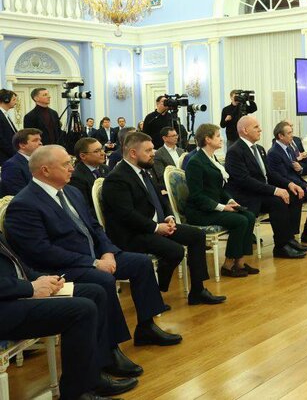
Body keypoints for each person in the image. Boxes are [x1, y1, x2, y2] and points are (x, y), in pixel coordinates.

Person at [4, 146, 180, 378]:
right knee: (102, 280)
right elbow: (41, 251)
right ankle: (110, 349)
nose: (72, 168)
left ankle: (146, 327)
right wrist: (93, 263)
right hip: (62, 267)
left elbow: (95, 228)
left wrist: (107, 252)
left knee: (140, 263)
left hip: (95, 256)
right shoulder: (24, 203)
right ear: (45, 170)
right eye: (66, 164)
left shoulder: (72, 192)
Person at [0, 233, 139, 399]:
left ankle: (94, 377)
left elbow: (17, 267)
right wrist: (31, 288)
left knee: (95, 293)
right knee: (82, 311)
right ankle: (76, 394)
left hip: (16, 294)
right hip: (6, 306)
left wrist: (42, 279)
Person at [102, 131, 225, 305]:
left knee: (197, 235)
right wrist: (156, 227)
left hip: (154, 226)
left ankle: (198, 291)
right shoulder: (117, 178)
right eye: (148, 150)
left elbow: (160, 198)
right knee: (175, 250)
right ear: (133, 153)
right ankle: (157, 290)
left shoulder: (144, 170)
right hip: (132, 234)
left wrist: (168, 217)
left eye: (152, 149)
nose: (153, 153)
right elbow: (126, 215)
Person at [225, 116, 307, 259]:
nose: (260, 130)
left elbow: (269, 174)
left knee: (293, 195)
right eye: (256, 127)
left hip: (261, 192)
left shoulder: (259, 149)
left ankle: (289, 238)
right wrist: (275, 190)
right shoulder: (235, 151)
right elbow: (245, 181)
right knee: (278, 201)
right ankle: (281, 247)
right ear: (245, 130)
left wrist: (289, 184)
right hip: (247, 195)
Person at [184, 124, 259, 276]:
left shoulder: (212, 158)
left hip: (213, 207)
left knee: (249, 216)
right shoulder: (195, 162)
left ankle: (240, 262)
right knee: (240, 221)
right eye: (218, 136)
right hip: (200, 211)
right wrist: (222, 207)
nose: (221, 139)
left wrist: (230, 201)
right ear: (207, 139)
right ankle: (228, 264)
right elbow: (197, 196)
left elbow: (220, 189)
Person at [68, 138, 109, 214]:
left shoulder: (105, 168)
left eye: (102, 149)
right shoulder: (76, 177)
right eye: (97, 151)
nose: (103, 153)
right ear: (83, 156)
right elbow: (85, 209)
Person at [1, 128, 42, 196]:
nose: (40, 143)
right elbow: (19, 193)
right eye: (35, 140)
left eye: (40, 140)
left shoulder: (42, 161)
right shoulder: (11, 165)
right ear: (22, 145)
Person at [0, 89, 18, 164]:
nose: (16, 102)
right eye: (14, 100)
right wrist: (14, 153)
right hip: (4, 156)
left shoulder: (5, 114)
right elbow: (1, 139)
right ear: (6, 100)